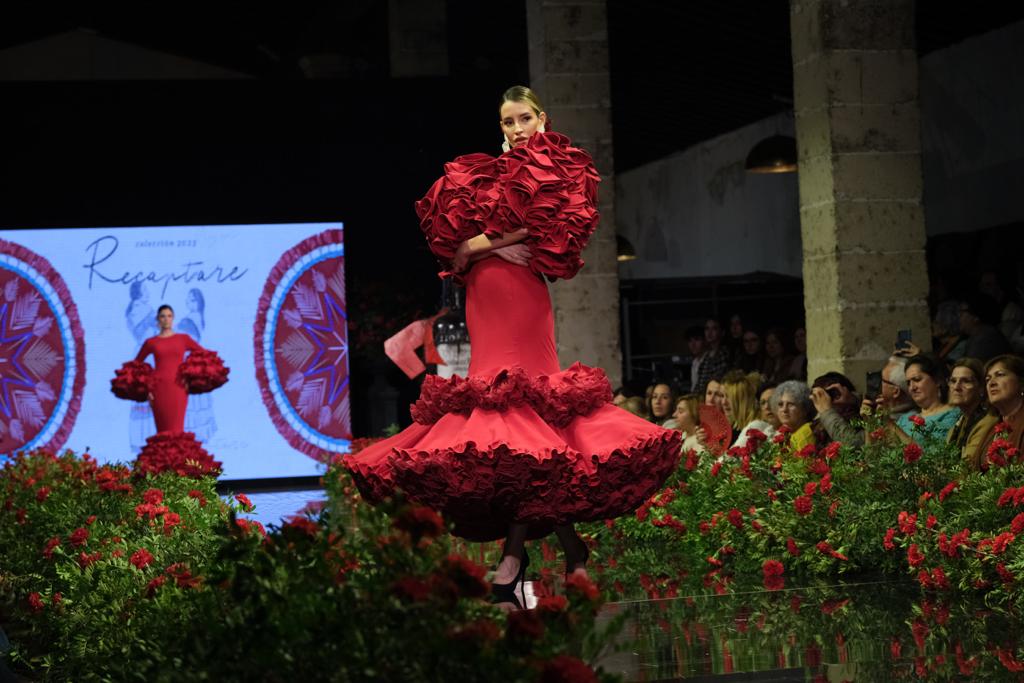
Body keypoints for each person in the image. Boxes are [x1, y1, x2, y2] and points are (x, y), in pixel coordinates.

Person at [345, 86, 681, 610]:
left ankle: (513, 559)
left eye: (525, 118)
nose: (518, 128)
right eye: (508, 121)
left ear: (542, 118)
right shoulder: (483, 175)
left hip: (523, 299)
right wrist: (472, 250)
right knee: (508, 434)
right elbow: (460, 248)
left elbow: (548, 229)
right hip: (483, 294)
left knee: (529, 423)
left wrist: (478, 243)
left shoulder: (561, 162)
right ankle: (573, 553)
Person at [134, 305, 204, 434]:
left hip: (179, 387)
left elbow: (204, 356)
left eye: (169, 316)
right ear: (158, 319)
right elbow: (135, 365)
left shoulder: (183, 339)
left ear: (173, 318)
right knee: (163, 431)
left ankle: (183, 455)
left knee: (177, 429)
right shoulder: (151, 342)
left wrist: (191, 378)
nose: (166, 319)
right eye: (163, 316)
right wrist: (146, 388)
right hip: (158, 390)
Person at [868, 354, 959, 445]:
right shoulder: (905, 419)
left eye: (917, 379)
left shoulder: (951, 415)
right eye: (908, 383)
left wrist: (889, 423)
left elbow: (931, 456)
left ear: (937, 380)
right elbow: (874, 455)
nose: (912, 387)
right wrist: (869, 420)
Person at [973, 354, 1024, 470]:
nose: (992, 383)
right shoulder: (992, 428)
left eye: (1000, 375)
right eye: (988, 379)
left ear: (1021, 383)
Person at [945, 358, 995, 470]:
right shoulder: (957, 425)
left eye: (966, 381)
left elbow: (967, 468)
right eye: (953, 381)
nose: (956, 387)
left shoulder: (988, 420)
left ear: (981, 387)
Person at [721, 370, 774, 449]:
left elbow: (730, 459)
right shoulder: (740, 427)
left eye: (728, 397)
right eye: (722, 396)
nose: (723, 402)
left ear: (742, 401)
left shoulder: (755, 426)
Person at [809, 371, 862, 445]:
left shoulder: (863, 420)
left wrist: (827, 411)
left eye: (834, 394)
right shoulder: (816, 429)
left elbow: (854, 443)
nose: (827, 401)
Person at [959, 294, 1010, 362]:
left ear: (976, 317)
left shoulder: (985, 341)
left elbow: (968, 371)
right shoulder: (978, 336)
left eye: (962, 312)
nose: (959, 316)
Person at [773, 380, 816, 452]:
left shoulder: (808, 432)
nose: (784, 409)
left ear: (804, 408)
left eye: (790, 404)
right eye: (780, 404)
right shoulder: (780, 435)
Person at [694, 318, 731, 395]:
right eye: (707, 329)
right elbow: (699, 382)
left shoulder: (723, 353)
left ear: (722, 332)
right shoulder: (706, 355)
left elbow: (717, 380)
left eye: (714, 328)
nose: (709, 332)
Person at [685, 326, 705, 393]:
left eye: (697, 340)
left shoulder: (708, 360)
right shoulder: (695, 362)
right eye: (690, 341)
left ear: (704, 340)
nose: (693, 344)